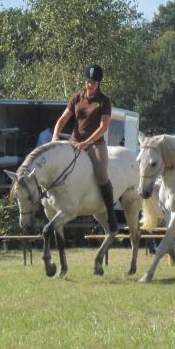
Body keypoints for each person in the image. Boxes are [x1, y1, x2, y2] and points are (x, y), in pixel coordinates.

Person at [52, 64, 118, 232]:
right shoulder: (76, 98)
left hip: (95, 145)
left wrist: (87, 143)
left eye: (94, 83)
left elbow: (103, 127)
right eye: (88, 82)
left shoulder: (104, 101)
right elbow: (62, 120)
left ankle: (111, 215)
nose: (90, 85)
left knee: (102, 176)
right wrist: (55, 137)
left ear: (99, 83)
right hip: (74, 142)